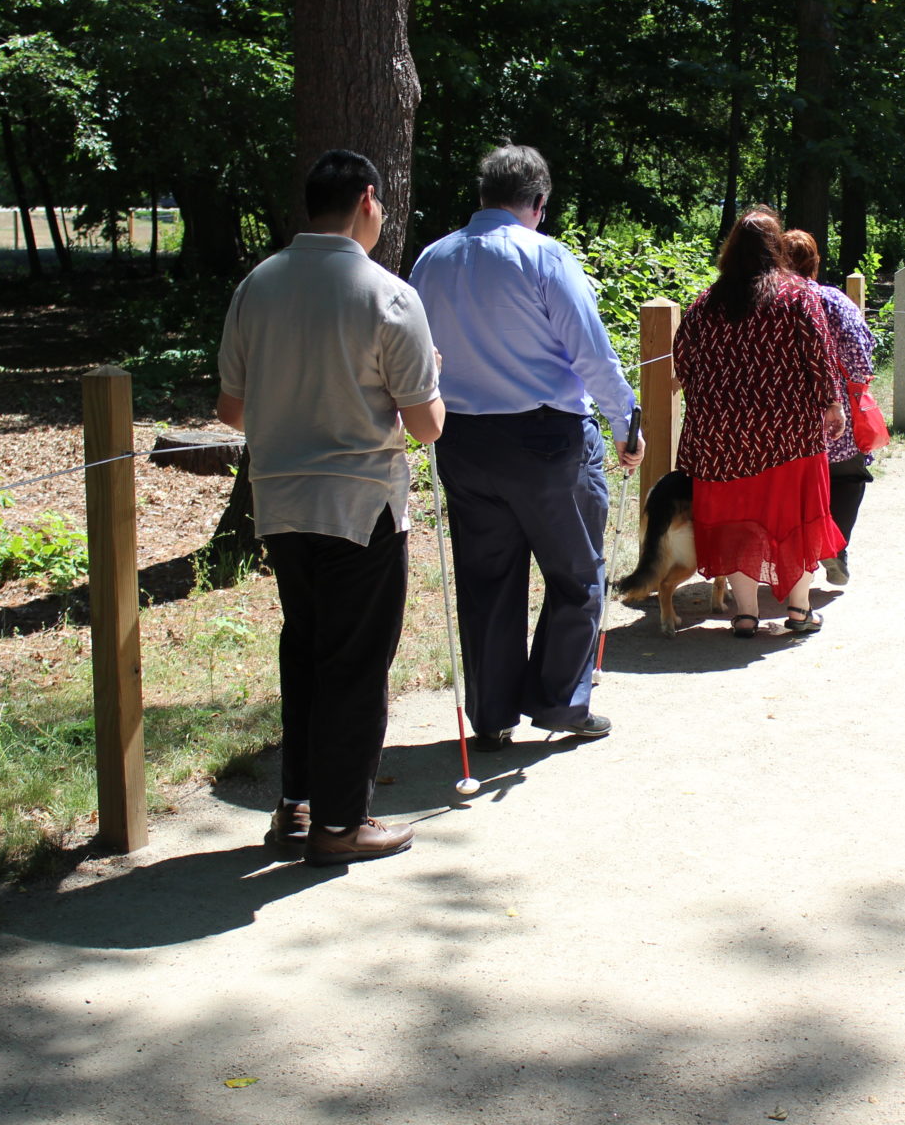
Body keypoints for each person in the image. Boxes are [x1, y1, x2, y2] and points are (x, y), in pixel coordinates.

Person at [217, 149, 444, 866]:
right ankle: (343, 822)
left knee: (305, 648)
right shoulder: (389, 295)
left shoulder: (258, 285)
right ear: (368, 201)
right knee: (354, 662)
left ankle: (297, 806)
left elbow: (230, 409)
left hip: (281, 501)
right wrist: (430, 381)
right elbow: (427, 424)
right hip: (361, 507)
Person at [407, 145, 641, 752]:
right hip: (546, 441)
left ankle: (492, 714)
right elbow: (591, 350)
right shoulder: (544, 255)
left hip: (461, 438)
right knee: (576, 574)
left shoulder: (432, 259)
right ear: (538, 203)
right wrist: (625, 423)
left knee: (486, 581)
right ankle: (560, 702)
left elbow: (412, 350)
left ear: (483, 197)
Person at [674, 207, 847, 638]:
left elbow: (683, 359)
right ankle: (798, 610)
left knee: (737, 524)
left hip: (722, 441)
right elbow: (820, 357)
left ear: (731, 248)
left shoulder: (708, 302)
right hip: (790, 435)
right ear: (775, 247)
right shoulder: (798, 294)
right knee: (799, 517)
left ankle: (746, 615)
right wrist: (832, 405)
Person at [780, 229, 875, 586]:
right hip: (834, 413)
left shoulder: (768, 302)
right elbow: (860, 355)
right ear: (814, 264)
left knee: (791, 485)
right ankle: (836, 546)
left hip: (780, 416)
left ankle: (793, 556)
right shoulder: (833, 300)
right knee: (848, 477)